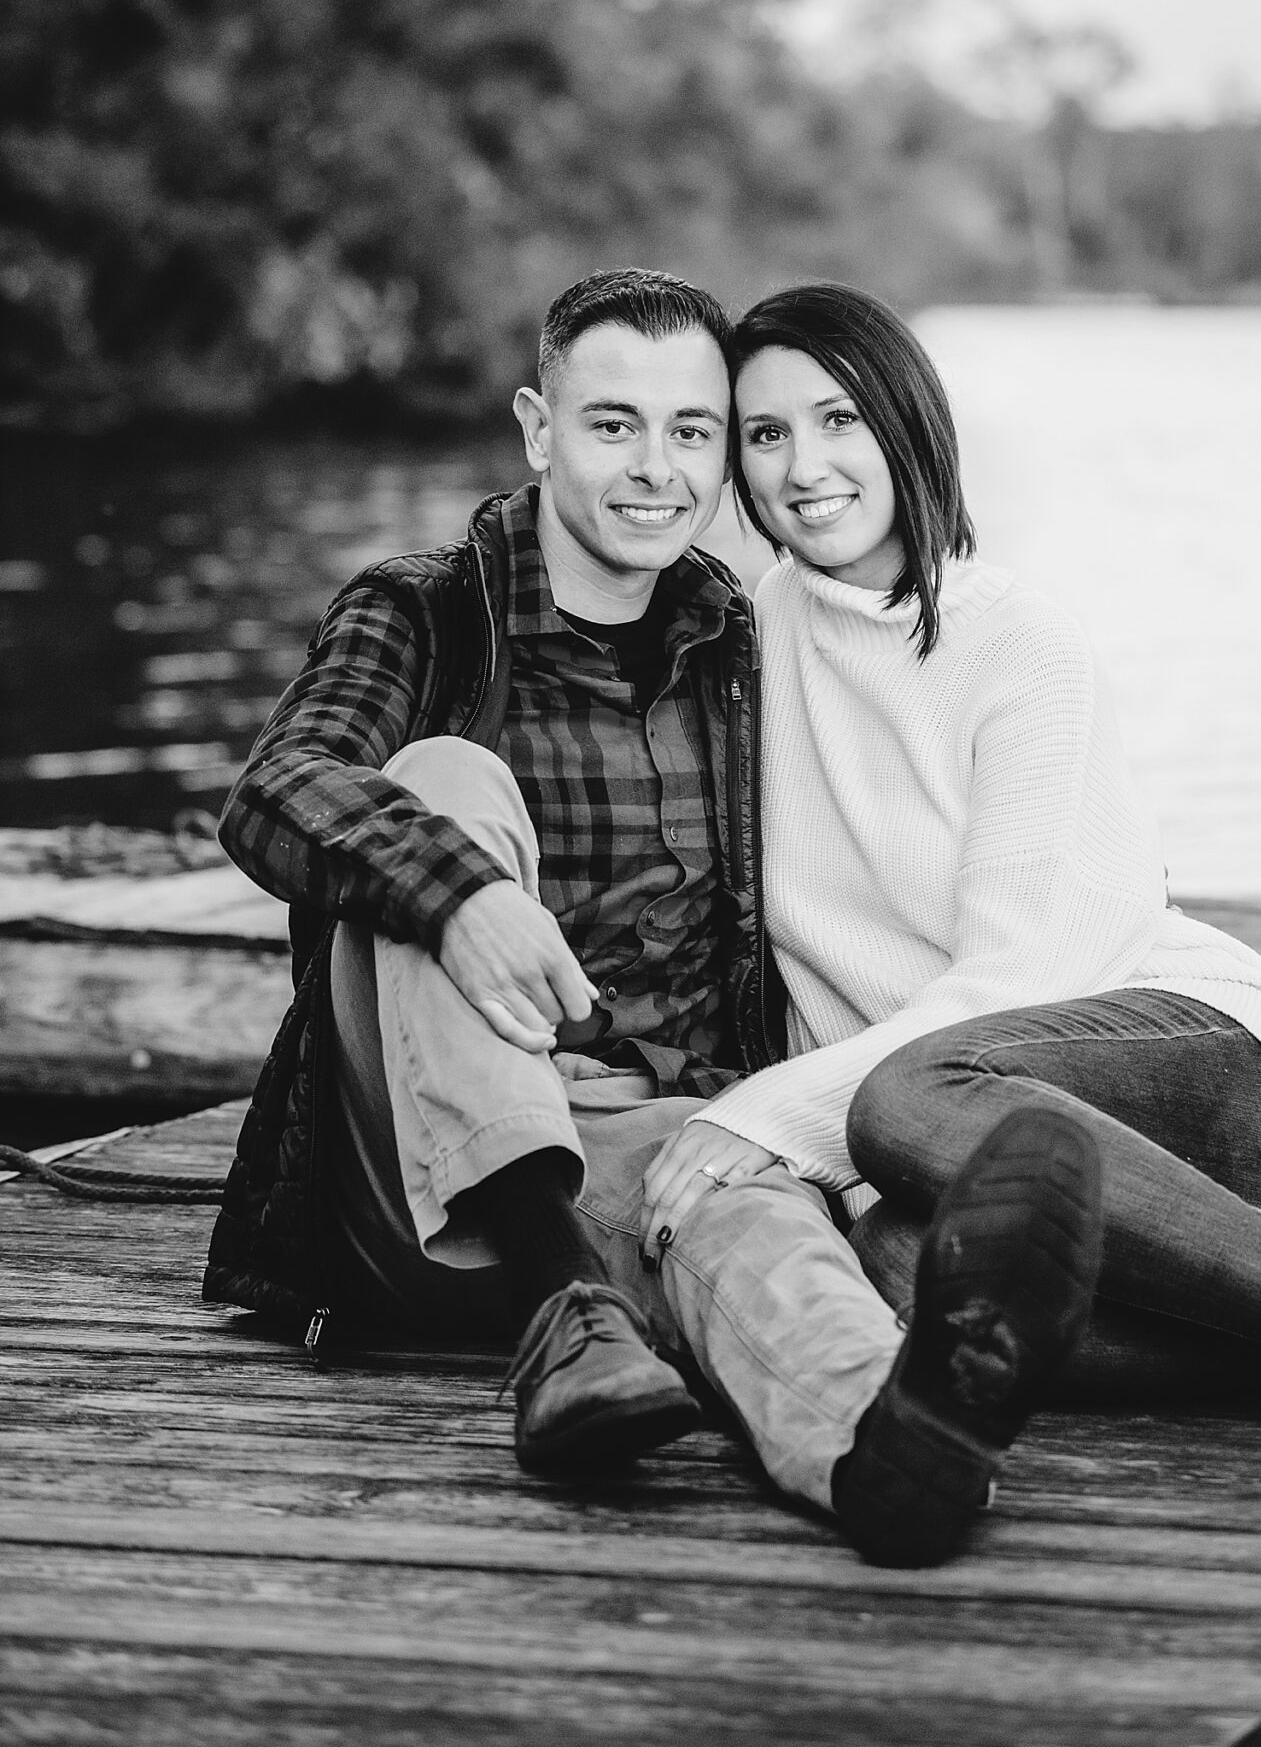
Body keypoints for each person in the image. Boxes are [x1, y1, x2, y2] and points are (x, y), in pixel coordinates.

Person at [204, 267, 1108, 1571]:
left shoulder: (732, 635)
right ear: (537, 429)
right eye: (613, 423)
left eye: (693, 430)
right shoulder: (426, 609)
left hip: (654, 1140)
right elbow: (275, 792)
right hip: (423, 1173)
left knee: (752, 1203)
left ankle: (892, 1448)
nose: (657, 468)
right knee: (446, 782)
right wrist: (464, 898)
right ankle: (562, 1300)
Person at [648, 280, 1261, 1457]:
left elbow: (1023, 978)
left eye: (839, 419)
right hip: (960, 1136)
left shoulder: (1020, 645)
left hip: (1193, 1077)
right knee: (900, 1279)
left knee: (908, 1095)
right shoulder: (750, 636)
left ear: (907, 421)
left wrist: (767, 1117)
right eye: (766, 432)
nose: (803, 465)